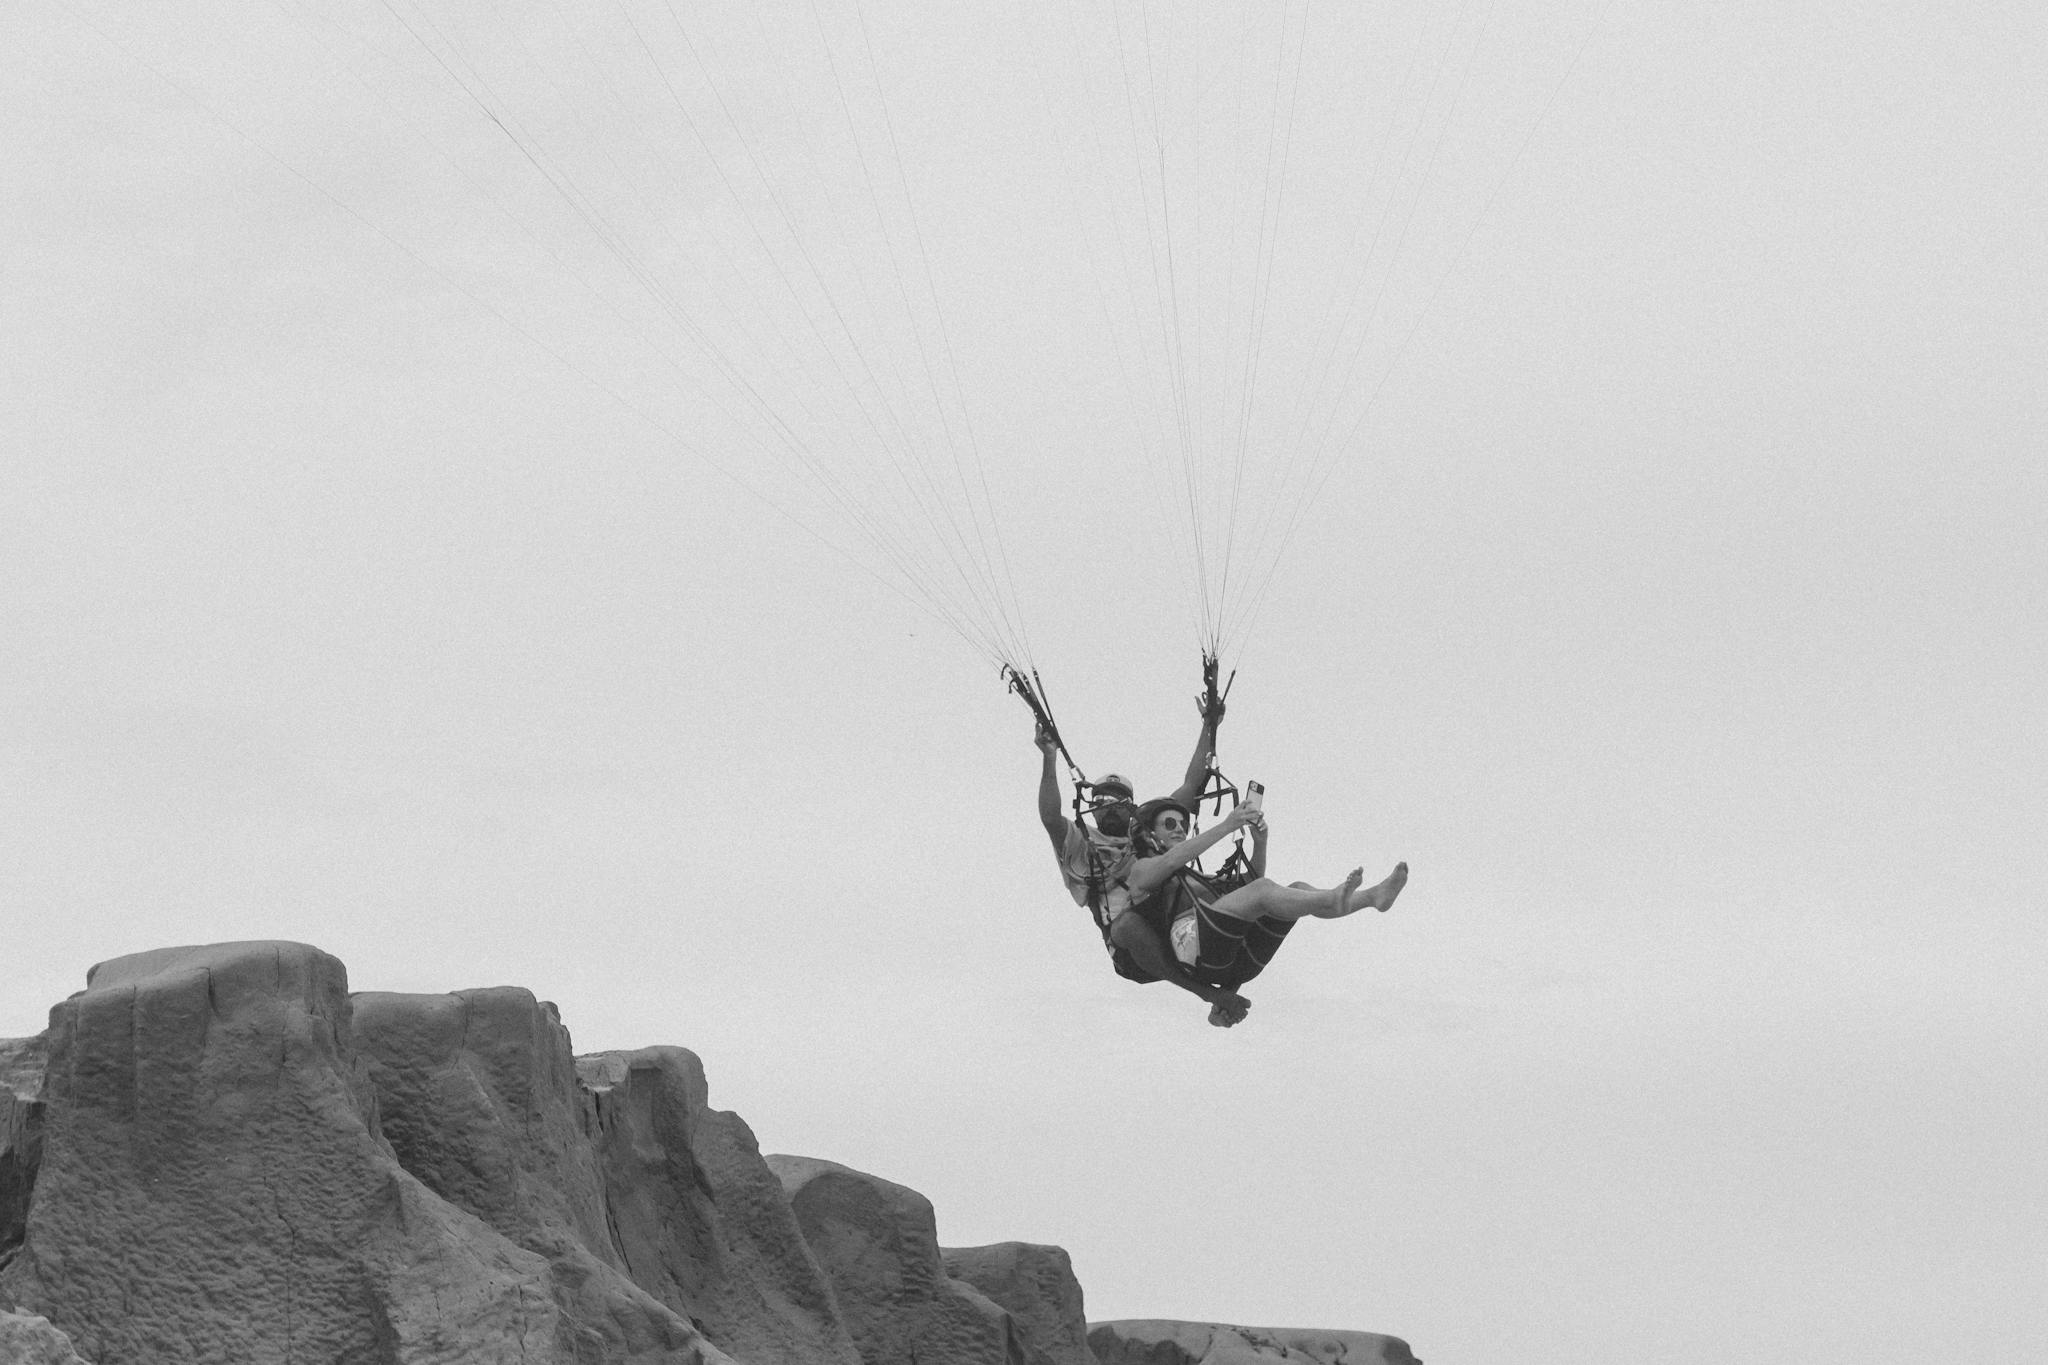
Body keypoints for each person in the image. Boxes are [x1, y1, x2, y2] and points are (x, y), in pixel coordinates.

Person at [1034, 696, 1244, 1018]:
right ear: (1093, 805)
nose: (1111, 806)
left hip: (1169, 924)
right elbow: (1050, 817)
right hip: (1131, 950)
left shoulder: (1147, 831)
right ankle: (1207, 995)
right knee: (1128, 924)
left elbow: (1191, 785)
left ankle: (1230, 982)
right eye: (1102, 799)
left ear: (1132, 805)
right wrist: (1049, 759)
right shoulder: (1081, 842)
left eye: (1120, 800)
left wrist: (1209, 725)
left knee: (1227, 889)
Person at [1120, 795, 1408, 1027]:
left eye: (1183, 822)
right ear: (1148, 835)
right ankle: (1333, 900)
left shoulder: (1194, 878)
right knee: (1263, 891)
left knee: (1293, 888)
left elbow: (1251, 883)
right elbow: (1168, 864)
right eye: (1169, 823)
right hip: (1193, 950)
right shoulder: (1141, 870)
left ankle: (1371, 897)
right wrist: (1227, 826)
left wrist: (1260, 843)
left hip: (1235, 961)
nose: (1180, 828)